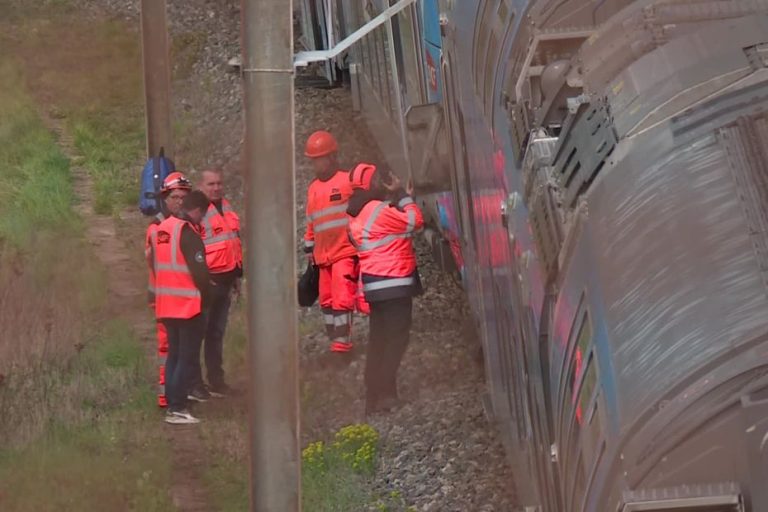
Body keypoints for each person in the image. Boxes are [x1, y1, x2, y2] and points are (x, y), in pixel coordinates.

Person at [346, 163, 423, 415]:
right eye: (378, 179)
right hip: (395, 283)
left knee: (378, 340)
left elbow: (390, 226)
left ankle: (374, 396)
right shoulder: (378, 210)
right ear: (371, 184)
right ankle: (384, 392)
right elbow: (414, 220)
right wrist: (401, 194)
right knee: (397, 338)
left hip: (374, 288)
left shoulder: (355, 215)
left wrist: (400, 200)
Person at [151, 189, 212, 424]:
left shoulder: (163, 228)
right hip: (187, 306)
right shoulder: (187, 232)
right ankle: (177, 407)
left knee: (174, 357)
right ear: (196, 210)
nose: (201, 220)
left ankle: (172, 402)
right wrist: (206, 297)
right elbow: (200, 273)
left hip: (166, 304)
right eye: (202, 215)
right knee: (186, 358)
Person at [303, 130, 362, 361]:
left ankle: (342, 345)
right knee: (326, 300)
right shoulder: (313, 188)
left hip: (345, 251)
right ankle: (335, 340)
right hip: (322, 256)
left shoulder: (347, 181)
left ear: (332, 157)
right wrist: (309, 248)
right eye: (314, 159)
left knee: (342, 297)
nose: (316, 164)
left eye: (320, 158)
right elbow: (311, 221)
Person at [145, 172, 192, 408]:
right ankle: (166, 394)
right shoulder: (157, 228)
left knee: (179, 348)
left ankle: (177, 389)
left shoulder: (182, 225)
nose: (180, 202)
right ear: (165, 198)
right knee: (167, 347)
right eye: (175, 197)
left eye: (184, 197)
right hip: (164, 297)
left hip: (177, 297)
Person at [196, 169, 242, 397]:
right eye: (211, 184)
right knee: (198, 334)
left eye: (219, 183)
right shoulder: (197, 211)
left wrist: (237, 276)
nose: (216, 188)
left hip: (226, 281)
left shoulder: (227, 207)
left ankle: (216, 380)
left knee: (216, 334)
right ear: (201, 186)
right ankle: (195, 383)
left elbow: (234, 243)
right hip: (208, 284)